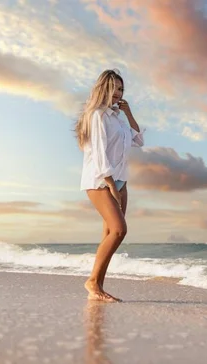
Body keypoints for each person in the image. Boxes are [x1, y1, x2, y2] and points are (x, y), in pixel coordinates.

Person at [75, 69, 145, 302]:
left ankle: (97, 286)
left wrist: (129, 113)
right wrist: (110, 185)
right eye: (113, 88)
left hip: (121, 180)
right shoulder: (96, 115)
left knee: (108, 232)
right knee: (118, 230)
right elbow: (98, 152)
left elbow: (139, 140)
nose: (117, 93)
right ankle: (93, 281)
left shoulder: (116, 117)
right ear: (102, 88)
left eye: (121, 89)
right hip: (100, 180)